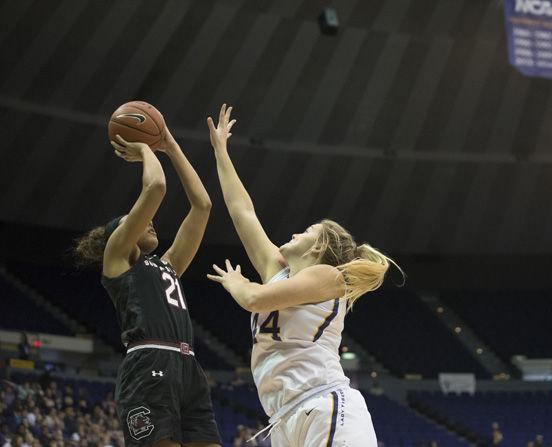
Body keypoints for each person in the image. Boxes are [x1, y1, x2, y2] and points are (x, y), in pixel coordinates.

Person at [206, 104, 403, 446]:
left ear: (318, 248)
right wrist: (221, 151)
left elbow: (253, 299)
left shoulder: (329, 278)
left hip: (324, 404)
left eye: (308, 230)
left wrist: (237, 282)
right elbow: (243, 212)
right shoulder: (278, 272)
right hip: (284, 419)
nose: (297, 233)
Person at [73, 127, 219, 447]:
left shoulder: (168, 265)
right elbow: (155, 186)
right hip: (149, 364)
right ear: (121, 233)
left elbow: (202, 206)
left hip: (188, 367)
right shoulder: (117, 259)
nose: (150, 220)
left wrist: (170, 145)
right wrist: (143, 150)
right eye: (138, 218)